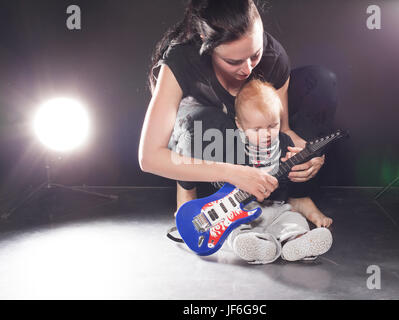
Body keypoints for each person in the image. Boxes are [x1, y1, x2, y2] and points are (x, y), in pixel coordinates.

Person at [138, 0, 337, 215]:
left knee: (320, 81)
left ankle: (298, 196)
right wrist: (233, 173)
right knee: (198, 122)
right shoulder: (181, 60)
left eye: (255, 55)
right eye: (234, 61)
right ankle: (187, 192)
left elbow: (282, 130)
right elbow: (149, 157)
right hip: (211, 147)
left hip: (256, 142)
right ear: (206, 41)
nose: (248, 69)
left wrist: (310, 154)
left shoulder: (273, 56)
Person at [225, 78, 332, 263]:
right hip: (245, 210)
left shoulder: (284, 142)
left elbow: (289, 187)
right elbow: (220, 180)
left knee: (293, 219)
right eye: (257, 129)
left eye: (272, 126)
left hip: (276, 207)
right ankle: (255, 246)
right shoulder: (232, 145)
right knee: (234, 228)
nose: (266, 134)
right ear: (240, 125)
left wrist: (291, 169)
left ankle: (297, 242)